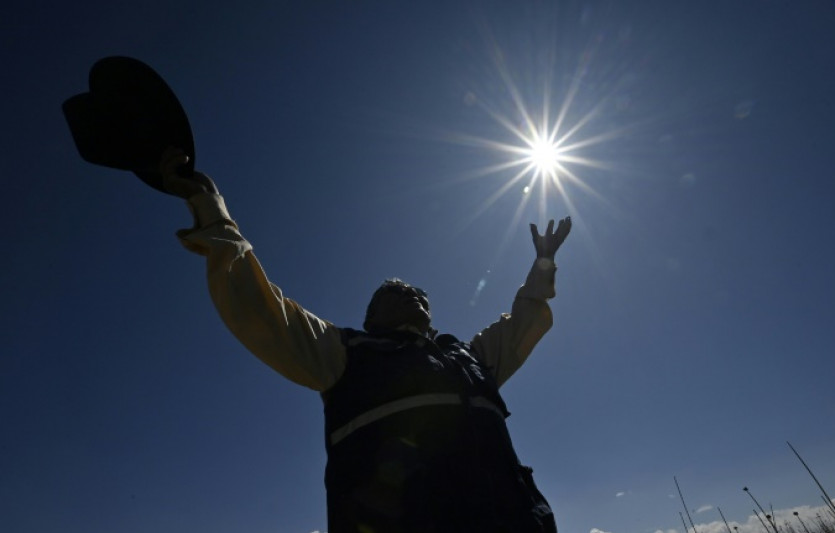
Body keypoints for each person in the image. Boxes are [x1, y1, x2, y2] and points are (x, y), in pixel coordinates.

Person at [160, 148, 571, 533]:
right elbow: (259, 308)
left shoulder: (471, 358)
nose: (412, 294)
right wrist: (212, 211)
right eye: (396, 292)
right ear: (372, 316)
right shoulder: (343, 353)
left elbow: (526, 319)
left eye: (418, 294)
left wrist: (543, 263)